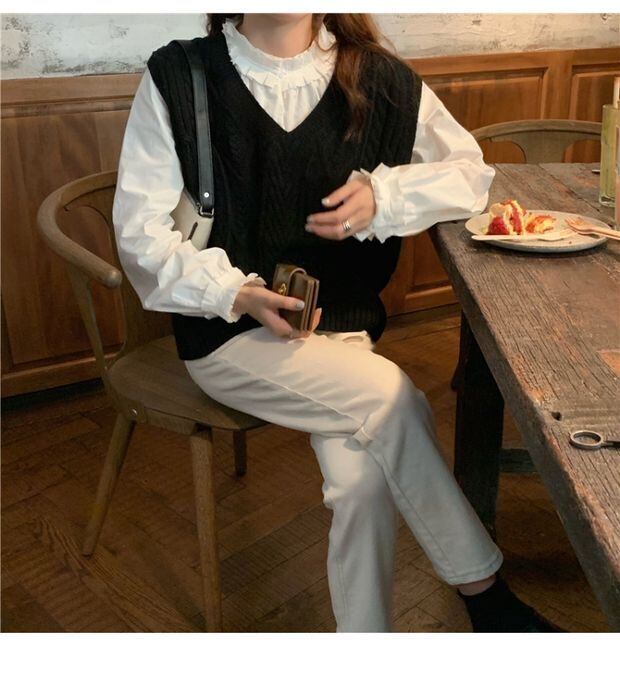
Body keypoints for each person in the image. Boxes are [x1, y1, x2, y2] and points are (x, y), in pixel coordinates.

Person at [112, 12, 557, 633]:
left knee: (362, 482)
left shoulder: (382, 80)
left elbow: (469, 175)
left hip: (343, 329)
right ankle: (488, 598)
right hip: (229, 332)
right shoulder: (180, 75)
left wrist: (386, 196)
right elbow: (140, 235)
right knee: (391, 395)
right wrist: (239, 293)